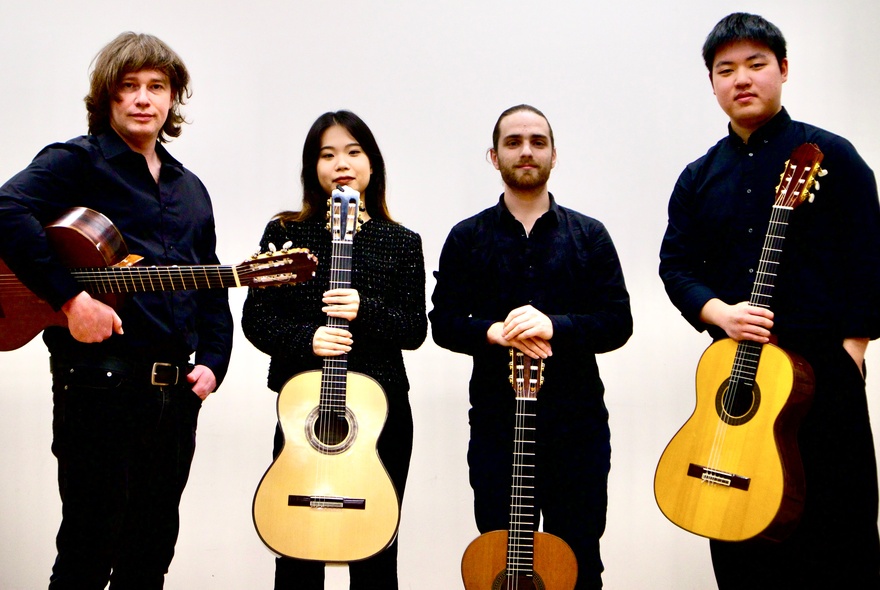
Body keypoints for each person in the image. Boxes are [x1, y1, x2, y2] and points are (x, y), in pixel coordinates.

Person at [0, 32, 233, 588]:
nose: (143, 99)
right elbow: (6, 209)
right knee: (88, 546)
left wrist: (214, 363)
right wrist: (70, 298)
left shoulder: (191, 189)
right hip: (98, 386)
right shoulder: (74, 163)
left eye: (157, 87)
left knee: (150, 555)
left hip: (175, 396)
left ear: (173, 99)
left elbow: (212, 283)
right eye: (128, 87)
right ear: (107, 98)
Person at [659, 12, 880, 588]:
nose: (742, 79)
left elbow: (870, 257)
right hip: (739, 371)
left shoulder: (832, 155)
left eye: (756, 64)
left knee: (839, 536)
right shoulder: (698, 177)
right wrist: (718, 312)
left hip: (823, 375)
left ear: (783, 70)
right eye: (726, 69)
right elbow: (676, 267)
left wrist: (852, 349)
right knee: (741, 542)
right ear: (712, 84)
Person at [430, 104, 632, 589]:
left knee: (579, 558)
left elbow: (617, 322)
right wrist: (494, 332)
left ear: (554, 155)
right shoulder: (466, 237)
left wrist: (554, 326)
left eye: (537, 142)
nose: (526, 151)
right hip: (498, 425)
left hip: (576, 427)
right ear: (493, 155)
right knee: (501, 559)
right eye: (514, 142)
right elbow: (442, 323)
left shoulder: (590, 235)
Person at [241, 110, 427, 589]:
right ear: (313, 168)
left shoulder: (402, 241)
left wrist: (365, 309)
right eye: (327, 155)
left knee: (375, 549)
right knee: (298, 544)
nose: (341, 163)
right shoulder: (285, 233)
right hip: (307, 416)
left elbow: (414, 329)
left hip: (380, 414)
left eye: (353, 151)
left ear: (371, 164)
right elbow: (257, 319)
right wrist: (308, 338)